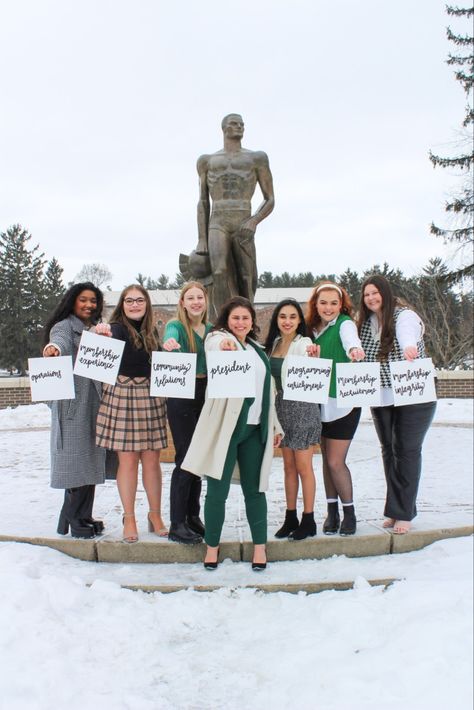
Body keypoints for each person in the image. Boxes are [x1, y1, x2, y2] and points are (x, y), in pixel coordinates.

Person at [182, 296, 283, 570]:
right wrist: (225, 344)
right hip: (226, 429)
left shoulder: (257, 350)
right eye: (236, 317)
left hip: (254, 429)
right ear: (227, 320)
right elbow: (215, 345)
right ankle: (211, 547)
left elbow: (268, 393)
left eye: (246, 318)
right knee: (217, 491)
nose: (241, 322)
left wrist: (274, 424)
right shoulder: (218, 339)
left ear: (252, 322)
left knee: (256, 490)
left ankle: (260, 548)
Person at [358, 274, 436, 534]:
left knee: (406, 451)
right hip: (382, 396)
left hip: (413, 394)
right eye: (367, 294)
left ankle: (404, 512)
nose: (371, 298)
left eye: (375, 292)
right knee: (389, 451)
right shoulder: (366, 323)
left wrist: (409, 347)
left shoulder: (404, 316)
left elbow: (407, 334)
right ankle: (395, 508)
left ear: (386, 293)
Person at [95, 285, 167, 543]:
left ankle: (155, 515)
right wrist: (99, 333)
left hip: (150, 395)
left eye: (139, 300)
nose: (135, 305)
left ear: (146, 304)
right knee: (127, 462)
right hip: (123, 394)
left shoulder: (152, 331)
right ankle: (129, 517)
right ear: (122, 305)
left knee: (152, 460)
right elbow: (101, 343)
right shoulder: (114, 329)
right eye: (129, 301)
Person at [194, 113, 275, 317]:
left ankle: (247, 322)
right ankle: (222, 320)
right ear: (224, 128)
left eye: (242, 124)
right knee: (219, 272)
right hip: (218, 220)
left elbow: (270, 198)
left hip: (243, 218)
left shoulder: (256, 158)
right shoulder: (207, 161)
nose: (239, 127)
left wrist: (255, 220)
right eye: (234, 124)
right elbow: (203, 201)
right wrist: (202, 239)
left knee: (247, 277)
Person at [43, 282, 107, 538]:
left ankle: (80, 515)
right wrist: (53, 349)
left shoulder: (94, 329)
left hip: (92, 403)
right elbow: (59, 343)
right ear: (72, 301)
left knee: (89, 462)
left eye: (93, 300)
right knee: (76, 463)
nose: (89, 305)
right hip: (73, 406)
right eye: (83, 300)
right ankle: (74, 517)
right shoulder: (65, 327)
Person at [307, 282, 365, 536]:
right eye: (323, 303)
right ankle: (332, 511)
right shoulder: (312, 329)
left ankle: (349, 512)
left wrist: (355, 350)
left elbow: (350, 340)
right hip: (319, 401)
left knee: (335, 461)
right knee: (326, 462)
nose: (328, 308)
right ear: (316, 305)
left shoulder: (345, 324)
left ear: (341, 305)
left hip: (343, 403)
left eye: (333, 303)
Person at [264, 299, 322, 540]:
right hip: (280, 410)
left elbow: (311, 358)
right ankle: (291, 517)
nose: (287, 321)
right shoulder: (273, 345)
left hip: (302, 408)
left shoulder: (304, 343)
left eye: (292, 317)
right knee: (288, 467)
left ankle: (309, 519)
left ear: (300, 321)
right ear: (276, 320)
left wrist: (313, 355)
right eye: (283, 317)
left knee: (303, 466)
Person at [162, 281, 213, 544]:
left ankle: (194, 516)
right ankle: (177, 522)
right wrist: (169, 343)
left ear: (205, 301)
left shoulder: (212, 330)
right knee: (185, 457)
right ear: (182, 302)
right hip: (183, 392)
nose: (195, 302)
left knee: (200, 457)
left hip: (207, 392)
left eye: (199, 297)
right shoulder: (177, 327)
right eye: (190, 298)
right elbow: (168, 336)